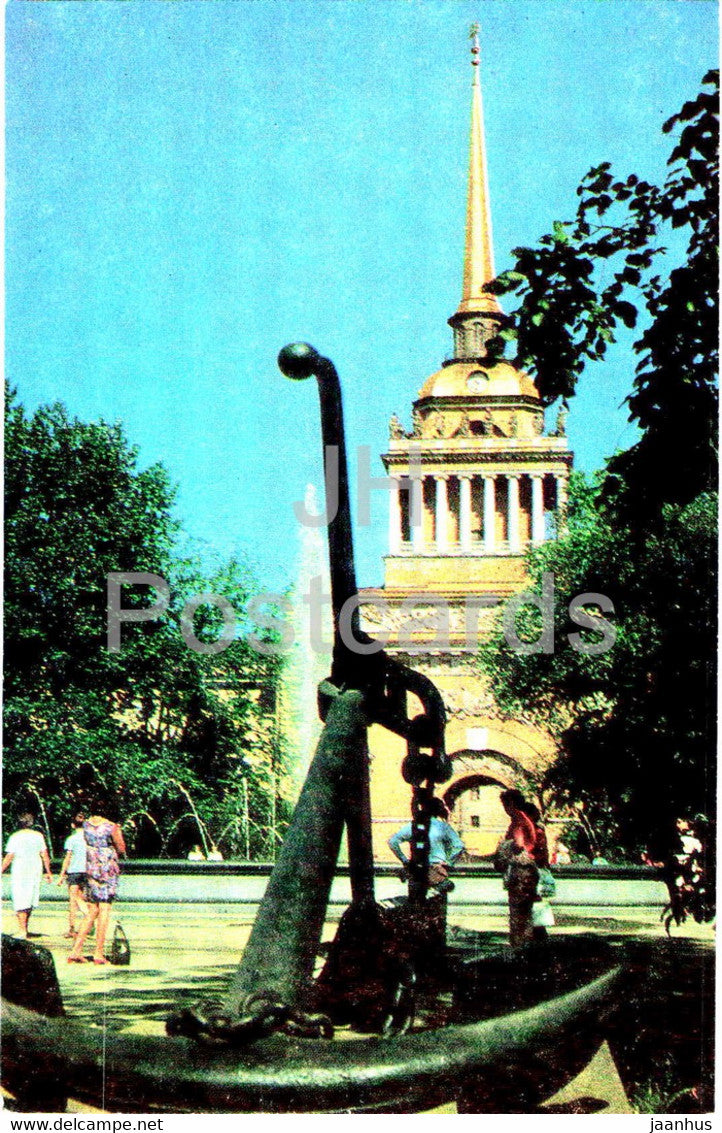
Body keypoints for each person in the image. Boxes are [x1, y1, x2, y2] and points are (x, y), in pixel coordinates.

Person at [68, 805, 126, 964]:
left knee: (93, 909)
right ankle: (98, 953)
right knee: (105, 908)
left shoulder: (86, 825)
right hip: (107, 868)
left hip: (91, 868)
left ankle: (75, 951)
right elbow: (121, 848)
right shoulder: (111, 827)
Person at [388, 797, 465, 893]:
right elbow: (459, 846)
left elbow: (392, 842)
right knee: (437, 901)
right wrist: (448, 862)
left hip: (416, 871)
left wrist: (404, 860)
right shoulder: (443, 827)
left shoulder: (412, 826)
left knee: (416, 901)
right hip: (437, 871)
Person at [497, 790, 539, 948]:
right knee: (525, 913)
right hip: (527, 869)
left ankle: (520, 948)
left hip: (520, 870)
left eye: (505, 804)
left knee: (519, 913)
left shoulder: (518, 820)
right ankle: (525, 947)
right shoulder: (524, 818)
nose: (504, 808)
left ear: (511, 804)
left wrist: (503, 847)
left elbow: (519, 843)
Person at [1, 813, 53, 939]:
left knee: (20, 898)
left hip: (21, 869)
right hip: (35, 869)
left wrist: (1, 870)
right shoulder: (38, 836)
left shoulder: (15, 837)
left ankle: (22, 930)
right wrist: (48, 872)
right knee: (29, 898)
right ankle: (25, 928)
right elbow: (44, 855)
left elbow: (9, 856)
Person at [57, 812, 89, 938]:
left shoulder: (71, 839)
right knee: (83, 898)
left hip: (74, 871)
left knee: (73, 900)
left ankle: (73, 928)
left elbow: (68, 858)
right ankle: (87, 926)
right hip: (88, 871)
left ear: (72, 825)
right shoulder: (89, 838)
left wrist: (61, 874)